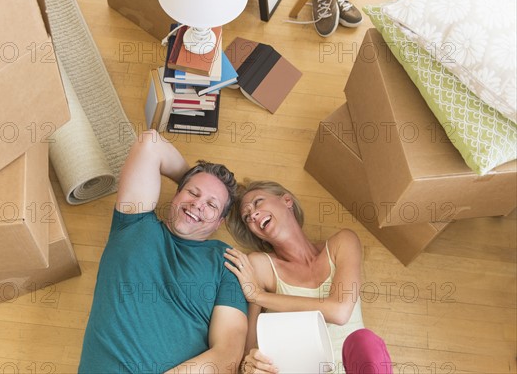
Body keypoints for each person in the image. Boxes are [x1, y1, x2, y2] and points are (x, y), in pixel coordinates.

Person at [78, 130, 248, 373]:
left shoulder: (225, 262)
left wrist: (197, 184)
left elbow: (228, 354)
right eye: (192, 192)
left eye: (211, 205)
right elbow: (150, 143)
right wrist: (195, 176)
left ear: (219, 223)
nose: (198, 204)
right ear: (177, 193)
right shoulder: (134, 223)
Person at [223, 180, 391, 374]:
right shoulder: (260, 266)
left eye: (258, 202)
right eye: (247, 217)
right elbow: (248, 351)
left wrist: (259, 296)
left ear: (287, 200)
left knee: (364, 341)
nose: (252, 214)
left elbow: (340, 312)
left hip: (355, 367)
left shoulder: (343, 243)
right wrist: (249, 366)